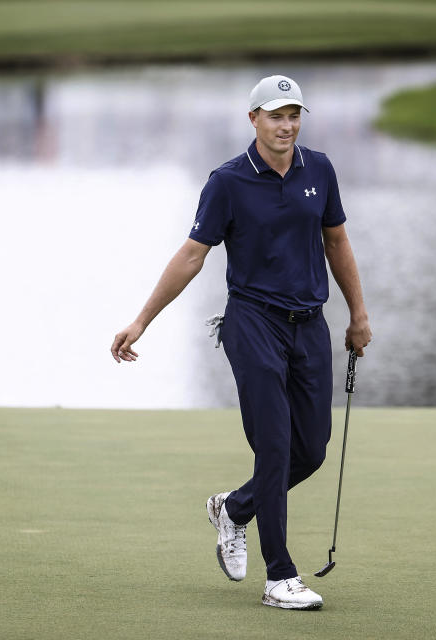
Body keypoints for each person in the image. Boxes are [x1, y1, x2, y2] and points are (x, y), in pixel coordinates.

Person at [110, 74, 371, 610]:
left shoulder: (318, 169)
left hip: (311, 325)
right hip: (252, 323)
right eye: (276, 115)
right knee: (274, 446)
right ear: (253, 119)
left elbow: (337, 240)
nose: (287, 125)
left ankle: (234, 508)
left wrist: (359, 314)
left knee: (311, 450)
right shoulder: (227, 181)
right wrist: (142, 321)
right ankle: (280, 576)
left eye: (294, 114)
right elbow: (191, 256)